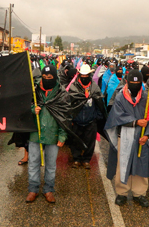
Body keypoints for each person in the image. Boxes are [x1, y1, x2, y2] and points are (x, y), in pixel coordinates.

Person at [105, 69, 149, 208]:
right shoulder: (120, 97)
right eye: (132, 82)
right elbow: (116, 116)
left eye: (137, 83)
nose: (134, 85)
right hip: (125, 135)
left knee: (141, 164)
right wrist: (135, 122)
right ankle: (122, 193)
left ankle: (139, 193)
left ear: (141, 83)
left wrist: (147, 135)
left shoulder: (146, 98)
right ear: (127, 82)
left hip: (142, 137)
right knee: (123, 164)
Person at [26, 65, 68, 204]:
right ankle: (33, 189)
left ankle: (48, 190)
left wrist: (62, 136)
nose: (47, 80)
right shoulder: (34, 91)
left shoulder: (61, 93)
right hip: (35, 134)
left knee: (51, 165)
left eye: (50, 78)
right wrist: (33, 109)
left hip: (53, 134)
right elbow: (24, 107)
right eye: (45, 77)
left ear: (55, 77)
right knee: (33, 163)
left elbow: (65, 116)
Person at [67, 64, 105, 169]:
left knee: (90, 141)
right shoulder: (74, 86)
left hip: (90, 120)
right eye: (82, 76)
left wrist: (96, 117)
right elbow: (69, 103)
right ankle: (77, 159)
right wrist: (71, 118)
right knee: (76, 140)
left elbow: (99, 102)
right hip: (77, 120)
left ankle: (87, 159)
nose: (84, 78)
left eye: (86, 75)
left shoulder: (94, 87)